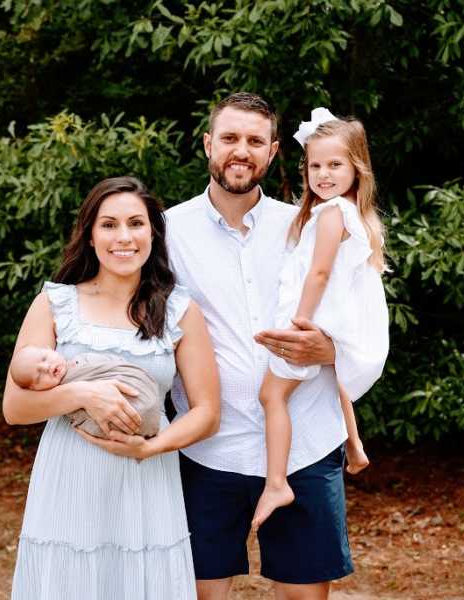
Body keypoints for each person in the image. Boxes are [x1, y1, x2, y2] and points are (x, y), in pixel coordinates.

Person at [165, 92, 388, 600]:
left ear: (270, 154)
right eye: (229, 138)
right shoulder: (167, 231)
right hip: (207, 448)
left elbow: (361, 309)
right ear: (207, 145)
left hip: (305, 443)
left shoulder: (306, 225)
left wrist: (332, 352)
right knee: (200, 592)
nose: (240, 150)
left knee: (305, 595)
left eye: (254, 141)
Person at [3, 176, 220, 600]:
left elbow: (207, 411)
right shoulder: (55, 303)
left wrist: (150, 448)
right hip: (71, 474)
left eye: (136, 224)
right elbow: (14, 408)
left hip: (146, 476)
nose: (124, 237)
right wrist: (83, 395)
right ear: (89, 234)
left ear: (153, 233)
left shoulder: (179, 309)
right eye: (109, 225)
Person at [252, 107, 389, 530]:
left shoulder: (332, 214)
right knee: (335, 377)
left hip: (313, 320)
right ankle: (354, 445)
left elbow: (320, 272)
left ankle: (276, 482)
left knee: (271, 396)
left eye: (335, 165)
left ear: (357, 168)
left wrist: (299, 322)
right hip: (333, 322)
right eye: (315, 165)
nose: (324, 174)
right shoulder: (346, 212)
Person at [9, 344, 163, 438]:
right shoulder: (60, 399)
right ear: (35, 389)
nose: (46, 367)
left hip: (146, 407)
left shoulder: (82, 361)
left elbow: (113, 365)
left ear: (51, 349)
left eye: (43, 358)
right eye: (39, 376)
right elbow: (13, 411)